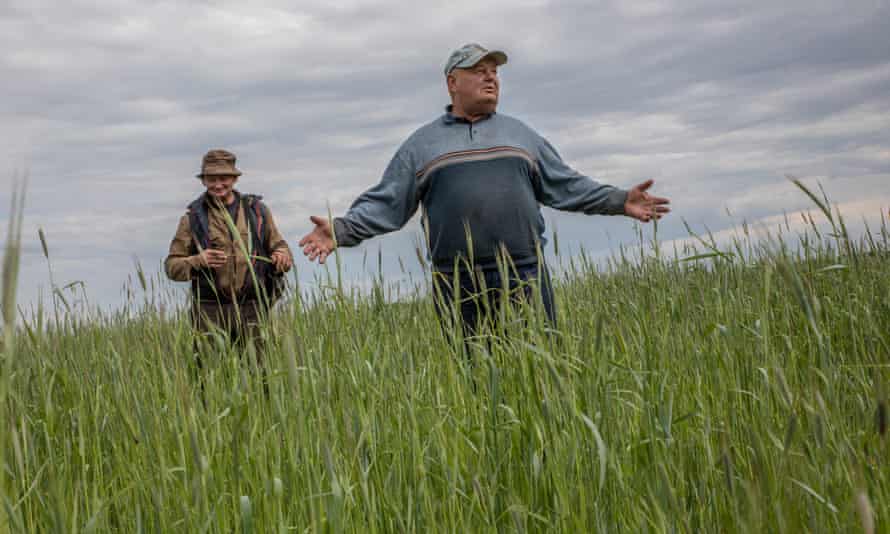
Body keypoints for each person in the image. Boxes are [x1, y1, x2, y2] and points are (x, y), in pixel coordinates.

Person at [298, 43, 670, 338]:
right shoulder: (422, 145)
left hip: (524, 274)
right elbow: (386, 204)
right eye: (478, 72)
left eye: (494, 72)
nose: (491, 78)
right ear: (452, 83)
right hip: (457, 282)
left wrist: (620, 200)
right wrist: (341, 230)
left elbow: (568, 186)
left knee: (539, 378)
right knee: (476, 383)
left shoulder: (521, 136)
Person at [165, 149, 292, 380]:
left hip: (252, 307)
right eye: (211, 179)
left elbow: (280, 246)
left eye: (223, 178)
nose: (218, 184)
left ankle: (260, 416)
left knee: (260, 377)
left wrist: (282, 256)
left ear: (234, 179)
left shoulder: (258, 212)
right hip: (209, 310)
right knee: (208, 380)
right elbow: (172, 267)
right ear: (203, 181)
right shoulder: (191, 218)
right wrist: (197, 261)